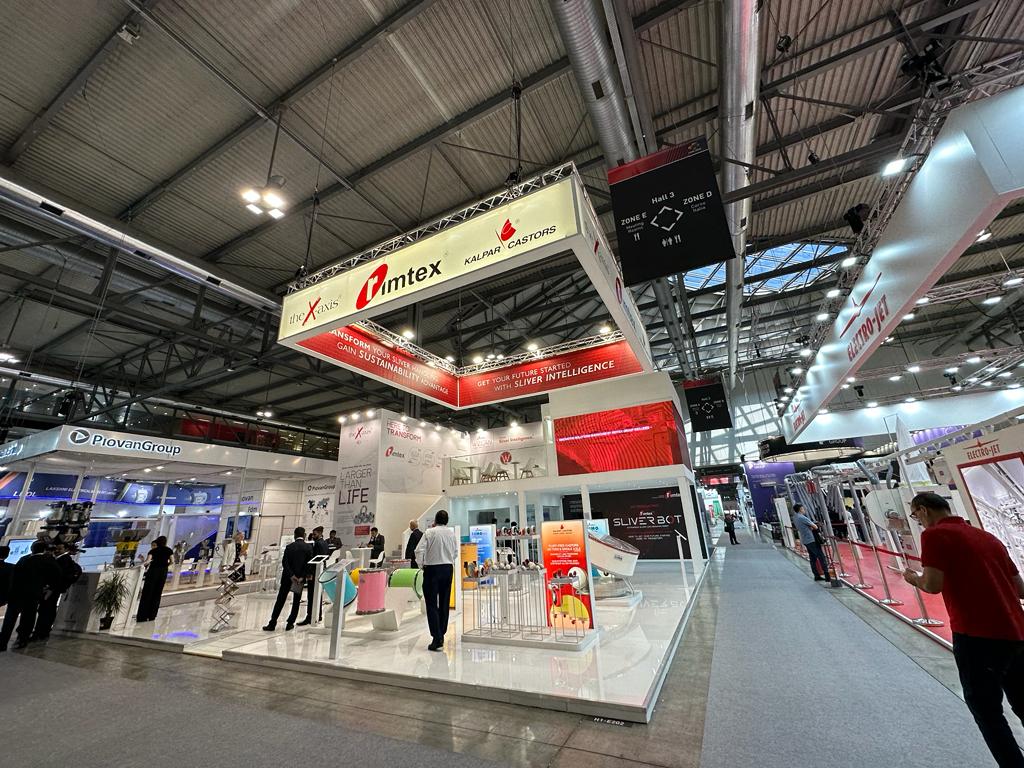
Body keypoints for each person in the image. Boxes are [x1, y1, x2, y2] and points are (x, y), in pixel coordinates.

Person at [903, 492, 1024, 767]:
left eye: (916, 515)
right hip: (1016, 632)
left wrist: (913, 579)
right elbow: (1020, 589)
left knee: (987, 711)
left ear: (923, 510)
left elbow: (932, 584)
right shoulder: (987, 537)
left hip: (976, 635)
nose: (918, 521)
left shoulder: (934, 536)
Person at [0, 540, 60, 651]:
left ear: (32, 548)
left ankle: (3, 642)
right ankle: (22, 640)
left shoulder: (24, 559)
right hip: (32, 595)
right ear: (44, 550)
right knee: (28, 619)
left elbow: (14, 576)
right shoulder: (48, 561)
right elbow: (57, 576)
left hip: (16, 594)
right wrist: (49, 588)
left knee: (10, 619)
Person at [416, 510, 458, 652]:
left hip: (432, 570)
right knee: (445, 602)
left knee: (432, 603)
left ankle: (436, 637)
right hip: (448, 568)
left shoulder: (429, 532)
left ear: (435, 520)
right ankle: (442, 633)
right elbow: (455, 553)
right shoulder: (451, 534)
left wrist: (421, 564)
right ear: (447, 520)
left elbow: (418, 550)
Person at [263, 527, 312, 632]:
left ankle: (272, 623)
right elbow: (308, 564)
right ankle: (290, 623)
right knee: (296, 601)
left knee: (280, 600)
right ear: (304, 535)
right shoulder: (308, 547)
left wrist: (291, 575)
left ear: (295, 535)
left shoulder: (289, 547)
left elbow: (285, 563)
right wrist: (302, 576)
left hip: (287, 578)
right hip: (299, 580)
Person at [33, 542, 82, 640]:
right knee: (46, 609)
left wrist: (51, 587)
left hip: (53, 589)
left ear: (65, 549)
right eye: (56, 548)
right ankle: (41, 631)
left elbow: (59, 576)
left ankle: (42, 631)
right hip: (52, 588)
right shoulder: (58, 559)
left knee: (47, 610)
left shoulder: (64, 560)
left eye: (60, 549)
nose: (57, 550)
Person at [137, 536, 174, 622]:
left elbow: (147, 561)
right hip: (162, 573)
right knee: (157, 593)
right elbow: (172, 561)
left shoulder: (153, 551)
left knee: (147, 593)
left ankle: (142, 616)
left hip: (153, 572)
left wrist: (141, 564)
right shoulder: (169, 550)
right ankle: (152, 615)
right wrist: (165, 565)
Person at [299, 526, 331, 625]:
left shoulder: (317, 544)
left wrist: (309, 573)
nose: (313, 536)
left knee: (312, 595)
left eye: (315, 534)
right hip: (320, 571)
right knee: (318, 595)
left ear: (320, 533)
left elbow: (314, 560)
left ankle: (310, 616)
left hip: (314, 572)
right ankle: (318, 615)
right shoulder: (325, 543)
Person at [792, 504, 829, 581]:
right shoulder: (802, 517)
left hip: (805, 540)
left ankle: (816, 575)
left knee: (813, 558)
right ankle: (827, 575)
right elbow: (815, 526)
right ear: (800, 509)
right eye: (803, 508)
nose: (804, 510)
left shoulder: (795, 518)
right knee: (821, 556)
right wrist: (813, 526)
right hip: (811, 540)